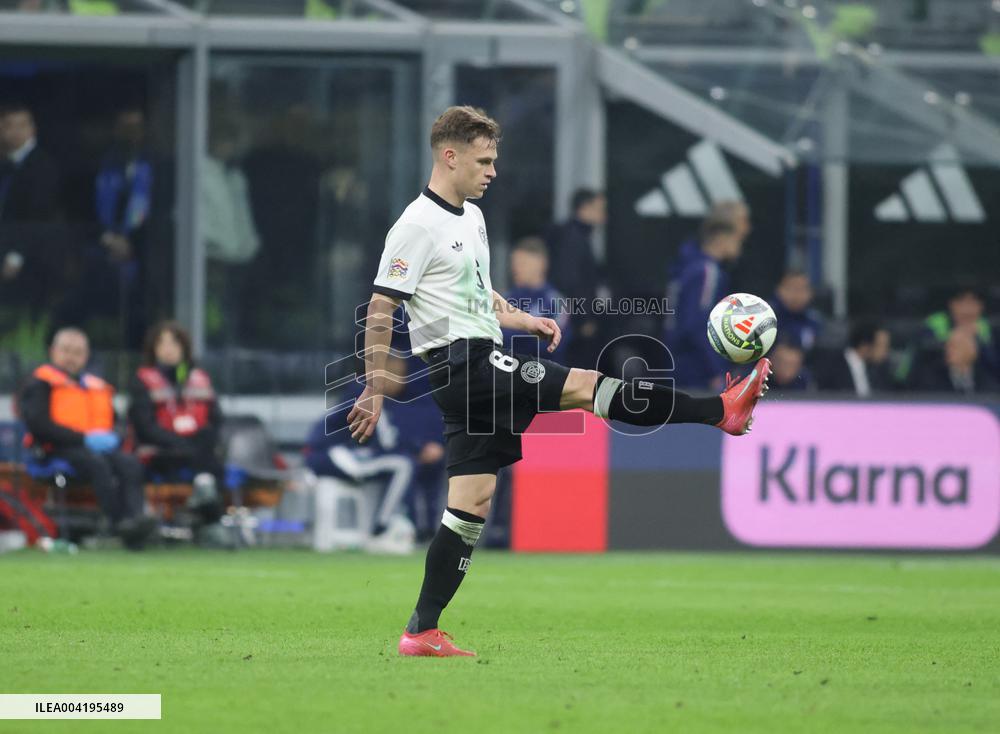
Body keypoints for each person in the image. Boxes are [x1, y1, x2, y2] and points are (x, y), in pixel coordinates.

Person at [347, 106, 772, 657]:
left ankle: (420, 630)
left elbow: (475, 291)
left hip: (480, 359)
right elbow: (382, 306)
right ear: (449, 156)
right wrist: (373, 385)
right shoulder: (415, 226)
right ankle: (720, 411)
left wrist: (521, 317)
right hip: (463, 367)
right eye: (484, 160)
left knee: (472, 502)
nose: (493, 171)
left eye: (494, 160)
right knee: (590, 387)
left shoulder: (470, 218)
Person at [18, 328, 157, 549]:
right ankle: (118, 523)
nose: (71, 357)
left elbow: (117, 422)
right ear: (53, 352)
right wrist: (83, 439)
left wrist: (114, 437)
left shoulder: (96, 386)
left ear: (86, 356)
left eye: (78, 352)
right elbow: (39, 425)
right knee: (97, 465)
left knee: (130, 464)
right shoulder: (40, 383)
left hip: (97, 447)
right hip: (57, 449)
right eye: (66, 351)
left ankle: (135, 520)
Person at [307, 353, 443, 554]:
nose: (400, 381)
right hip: (332, 454)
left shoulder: (389, 402)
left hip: (353, 455)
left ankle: (394, 523)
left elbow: (390, 438)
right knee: (403, 465)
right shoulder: (363, 394)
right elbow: (385, 441)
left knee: (400, 463)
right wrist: (417, 450)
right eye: (396, 375)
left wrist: (419, 448)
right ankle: (382, 528)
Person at [128, 321, 225, 526]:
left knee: (209, 448)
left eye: (174, 343)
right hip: (160, 452)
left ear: (184, 348)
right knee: (201, 459)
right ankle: (208, 516)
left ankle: (208, 514)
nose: (168, 349)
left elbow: (216, 420)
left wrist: (194, 440)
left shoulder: (200, 378)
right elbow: (144, 427)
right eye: (162, 344)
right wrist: (178, 442)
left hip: (197, 448)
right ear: (153, 350)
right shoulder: (142, 381)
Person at [664, 203, 748, 390]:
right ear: (722, 238)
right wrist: (715, 371)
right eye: (738, 240)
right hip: (695, 370)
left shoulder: (687, 264)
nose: (740, 246)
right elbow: (697, 325)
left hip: (679, 362)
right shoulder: (706, 271)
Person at [0, 102, 63, 316]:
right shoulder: (5, 165)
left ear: (32, 129)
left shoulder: (42, 166)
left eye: (21, 126)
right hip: (5, 249)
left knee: (27, 315)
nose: (15, 132)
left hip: (31, 259)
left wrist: (17, 254)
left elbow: (38, 215)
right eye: (9, 125)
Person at [544, 189, 606, 367]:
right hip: (574, 322)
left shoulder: (577, 236)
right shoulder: (574, 238)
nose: (603, 215)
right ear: (584, 208)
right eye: (599, 209)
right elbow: (570, 280)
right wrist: (583, 318)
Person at [502, 236, 571, 363]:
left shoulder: (556, 302)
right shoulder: (505, 299)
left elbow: (554, 344)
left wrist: (516, 332)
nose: (516, 269)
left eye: (523, 263)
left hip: (544, 376)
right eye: (514, 263)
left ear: (541, 264)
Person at [814, 321, 891, 396]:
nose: (886, 352)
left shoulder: (881, 370)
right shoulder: (831, 367)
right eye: (881, 346)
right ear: (865, 346)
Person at [913, 328, 998, 395]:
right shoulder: (930, 379)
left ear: (971, 350)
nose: (948, 350)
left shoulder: (988, 381)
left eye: (955, 346)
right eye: (947, 346)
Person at [771, 270, 822, 353]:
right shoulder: (766, 318)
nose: (798, 294)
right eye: (792, 288)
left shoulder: (815, 321)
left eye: (803, 289)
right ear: (779, 290)